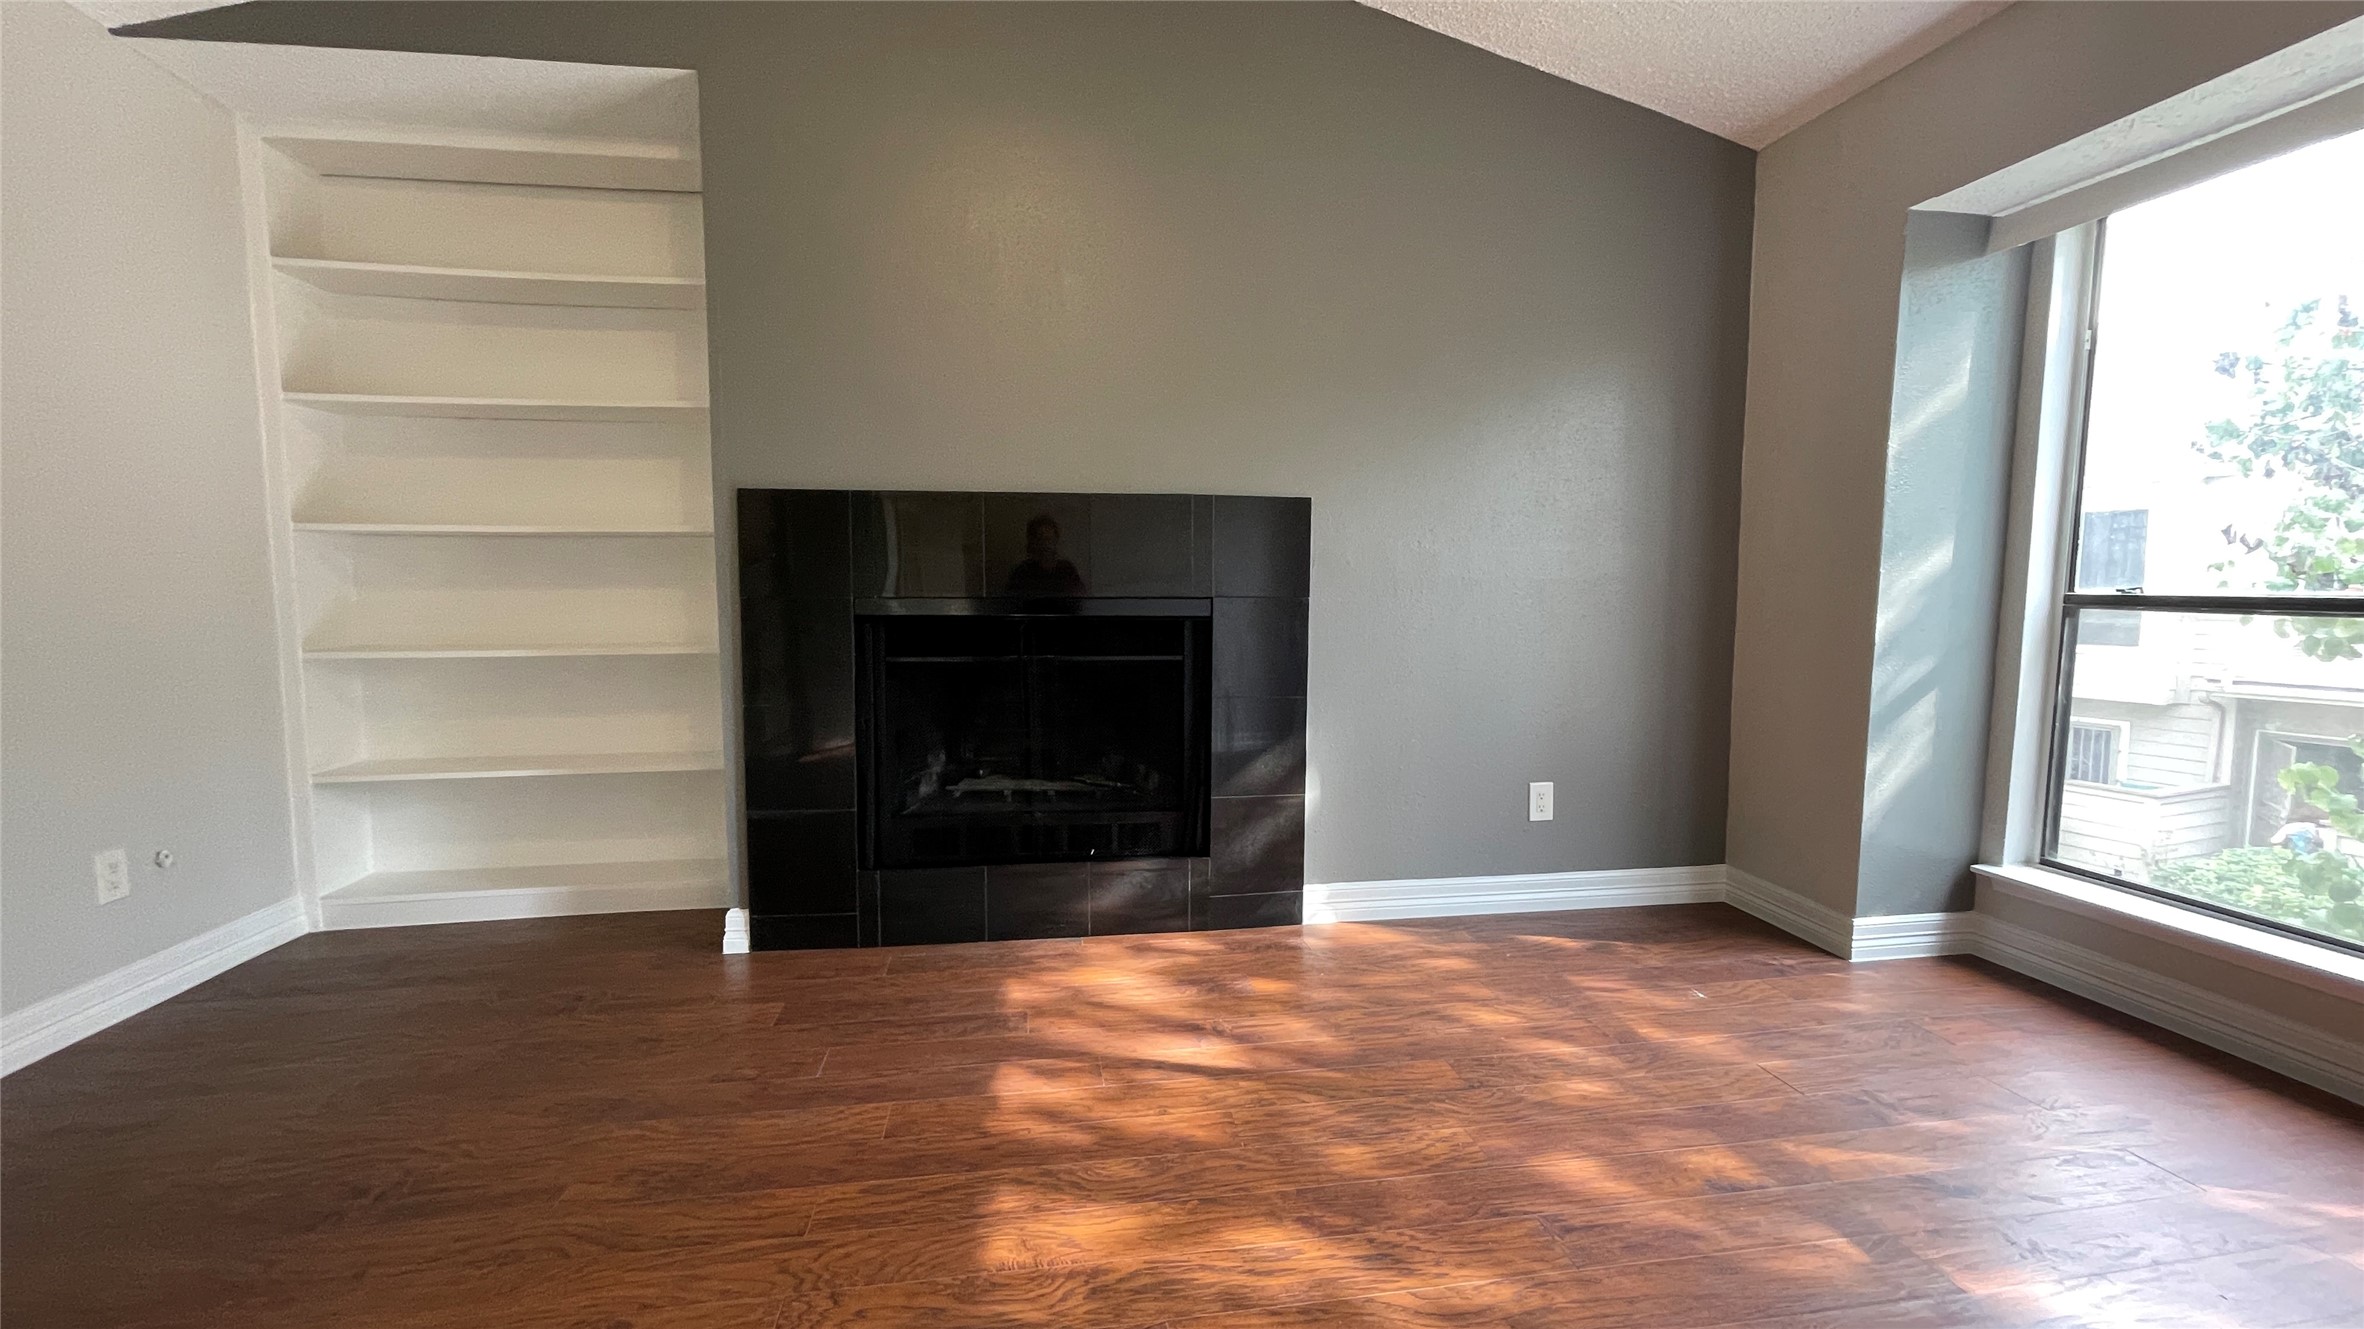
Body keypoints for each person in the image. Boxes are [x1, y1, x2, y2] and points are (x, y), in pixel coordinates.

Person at [1006, 514, 1085, 597]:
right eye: (1041, 539)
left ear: (1055, 540)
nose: (1046, 544)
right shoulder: (1021, 573)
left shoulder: (1067, 570)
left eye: (1050, 539)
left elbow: (1080, 601)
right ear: (1033, 542)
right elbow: (1012, 605)